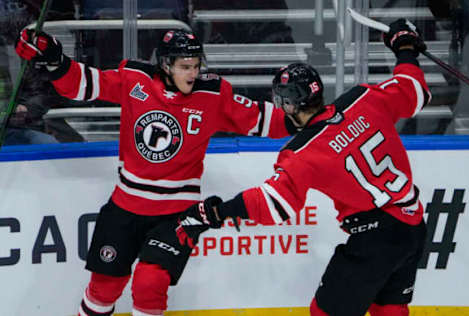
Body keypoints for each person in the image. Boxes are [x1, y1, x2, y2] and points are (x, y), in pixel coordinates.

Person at [15, 28, 298, 315]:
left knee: (150, 284)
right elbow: (85, 84)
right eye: (185, 67)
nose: (193, 73)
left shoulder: (212, 94)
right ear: (165, 65)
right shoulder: (135, 79)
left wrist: (309, 117)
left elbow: (263, 119)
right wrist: (55, 60)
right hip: (125, 206)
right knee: (104, 287)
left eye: (197, 66)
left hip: (176, 213)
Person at [177, 19, 431, 316]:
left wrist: (218, 212)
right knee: (391, 309)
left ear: (288, 105)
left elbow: (273, 204)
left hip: (374, 239)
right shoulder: (363, 98)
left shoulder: (302, 151)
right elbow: (414, 90)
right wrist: (404, 47)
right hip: (413, 225)